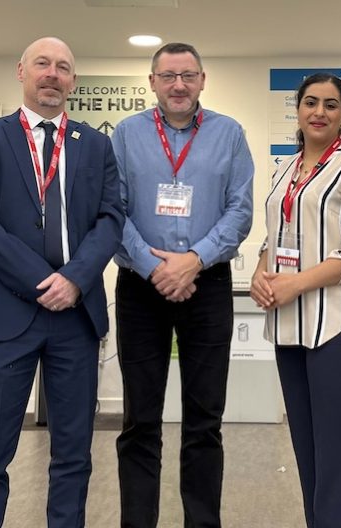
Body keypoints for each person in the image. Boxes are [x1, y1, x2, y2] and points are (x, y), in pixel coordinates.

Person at [0, 36, 125, 528]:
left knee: (73, 451)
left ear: (73, 80)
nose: (52, 74)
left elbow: (111, 218)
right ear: (21, 72)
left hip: (76, 318)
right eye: (42, 64)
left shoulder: (95, 144)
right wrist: (42, 280)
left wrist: (73, 280)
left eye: (64, 67)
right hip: (6, 313)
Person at [111, 42, 254, 528]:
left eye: (188, 75)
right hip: (139, 287)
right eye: (168, 75)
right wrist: (157, 269)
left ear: (202, 80)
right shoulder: (126, 135)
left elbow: (240, 211)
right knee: (140, 421)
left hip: (207, 286)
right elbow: (114, 210)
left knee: (204, 421)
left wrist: (193, 261)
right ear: (152, 82)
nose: (178, 85)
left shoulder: (229, 134)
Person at [250, 72, 341, 528]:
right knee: (308, 452)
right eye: (311, 102)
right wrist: (260, 272)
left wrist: (296, 283)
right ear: (298, 109)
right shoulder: (284, 170)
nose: (319, 112)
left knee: (339, 455)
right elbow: (276, 235)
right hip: (289, 326)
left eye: (331, 104)